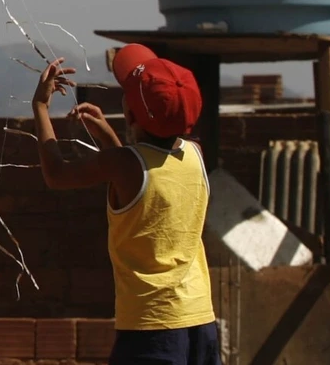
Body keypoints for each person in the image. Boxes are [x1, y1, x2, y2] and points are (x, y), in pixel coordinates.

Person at [29, 44, 219, 364]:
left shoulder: (124, 165)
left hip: (151, 329)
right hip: (200, 321)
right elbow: (143, 180)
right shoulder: (195, 154)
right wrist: (107, 136)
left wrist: (40, 106)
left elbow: (57, 174)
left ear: (130, 114)